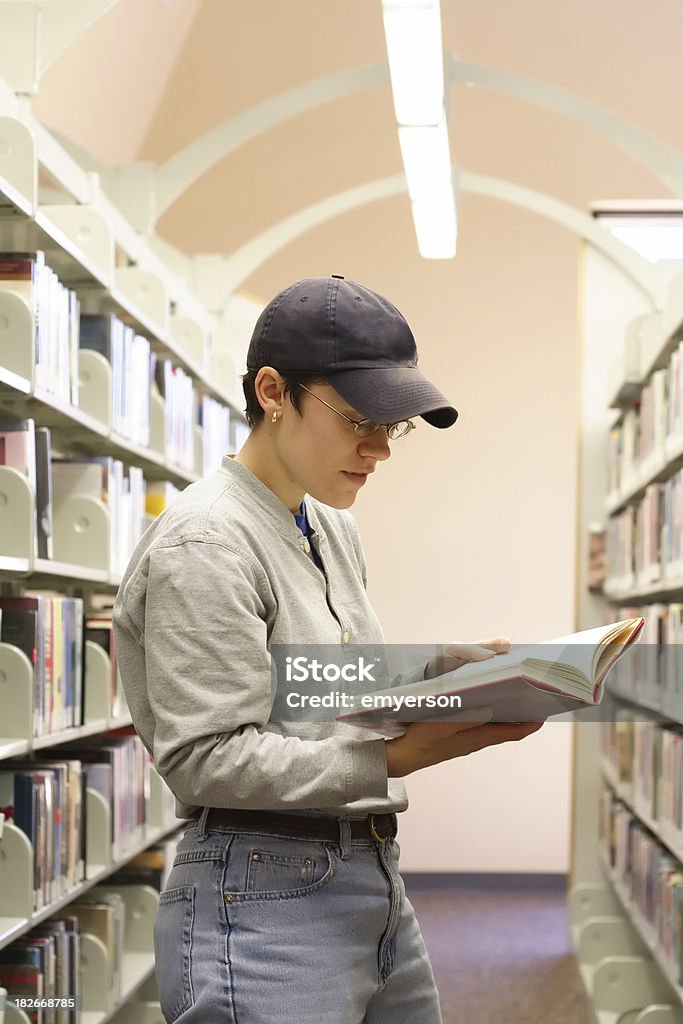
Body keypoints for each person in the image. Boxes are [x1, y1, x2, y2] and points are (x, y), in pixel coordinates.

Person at [113, 274, 543, 1024]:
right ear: (274, 392)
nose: (378, 449)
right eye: (357, 421)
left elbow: (313, 687)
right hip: (260, 893)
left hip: (368, 875)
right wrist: (397, 757)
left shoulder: (328, 524)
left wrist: (440, 669)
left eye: (392, 428)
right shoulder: (205, 542)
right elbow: (205, 756)